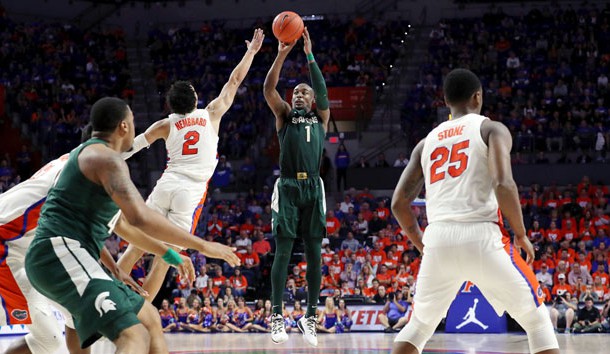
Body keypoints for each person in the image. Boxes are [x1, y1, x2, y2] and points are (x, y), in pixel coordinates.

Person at [24, 97, 239, 353]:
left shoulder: (99, 160)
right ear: (124, 126)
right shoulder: (106, 159)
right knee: (134, 335)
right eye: (134, 122)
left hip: (63, 256)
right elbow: (141, 218)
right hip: (57, 255)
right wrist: (202, 245)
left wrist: (172, 255)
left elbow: (125, 227)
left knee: (150, 318)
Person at [390, 69, 559, 354]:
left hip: (439, 238)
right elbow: (504, 183)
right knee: (537, 320)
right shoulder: (491, 129)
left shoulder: (425, 143)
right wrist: (521, 234)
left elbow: (398, 204)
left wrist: (422, 244)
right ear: (478, 96)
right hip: (482, 235)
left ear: (446, 101)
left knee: (419, 325)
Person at [0, 126, 185, 354]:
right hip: (6, 244)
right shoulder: (80, 172)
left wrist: (115, 268)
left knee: (66, 325)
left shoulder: (78, 165)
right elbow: (126, 225)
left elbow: (84, 227)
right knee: (53, 337)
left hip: (24, 246)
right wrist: (172, 252)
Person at [116, 29, 264, 300]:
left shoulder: (165, 124)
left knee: (136, 246)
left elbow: (132, 146)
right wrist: (251, 51)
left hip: (166, 185)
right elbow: (234, 81)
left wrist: (106, 156)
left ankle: (103, 300)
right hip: (190, 192)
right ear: (195, 99)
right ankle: (139, 313)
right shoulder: (211, 114)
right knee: (164, 258)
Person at [263, 27, 330, 347]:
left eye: (304, 92)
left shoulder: (322, 118)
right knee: (284, 251)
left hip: (314, 188)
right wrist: (281, 53)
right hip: (288, 187)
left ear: (313, 98)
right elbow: (268, 88)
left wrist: (309, 55)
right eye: (295, 93)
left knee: (315, 253)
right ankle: (276, 315)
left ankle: (310, 316)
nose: (298, 95)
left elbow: (324, 93)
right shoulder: (285, 116)